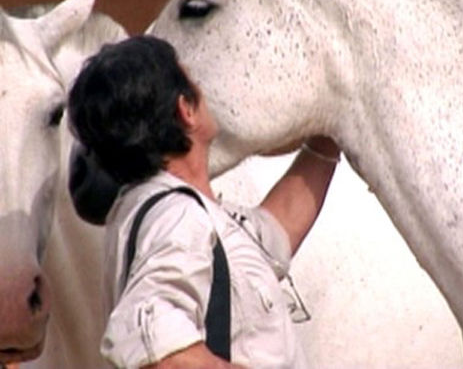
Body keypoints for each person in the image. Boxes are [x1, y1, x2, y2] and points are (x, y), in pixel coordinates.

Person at [67, 35, 341, 369]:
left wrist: (331, 134)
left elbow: (274, 230)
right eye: (195, 85)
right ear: (186, 110)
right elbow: (158, 349)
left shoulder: (166, 209)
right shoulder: (177, 217)